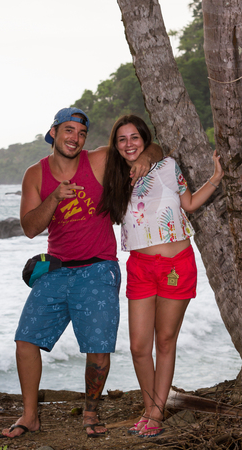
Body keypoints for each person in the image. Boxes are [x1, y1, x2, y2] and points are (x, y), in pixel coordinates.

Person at [1, 107, 163, 439]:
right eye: (69, 130)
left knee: (98, 346)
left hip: (99, 266)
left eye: (81, 133)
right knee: (25, 340)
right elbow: (30, 227)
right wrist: (55, 198)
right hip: (56, 269)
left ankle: (91, 411)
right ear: (54, 133)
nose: (75, 138)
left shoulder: (99, 160)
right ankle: (30, 416)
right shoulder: (35, 174)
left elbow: (151, 148)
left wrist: (149, 156)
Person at [99, 114, 224, 438]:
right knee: (140, 346)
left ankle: (154, 413)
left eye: (134, 138)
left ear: (145, 140)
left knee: (165, 341)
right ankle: (151, 406)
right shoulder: (114, 176)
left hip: (174, 265)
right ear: (116, 145)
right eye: (122, 139)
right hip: (139, 267)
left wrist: (215, 177)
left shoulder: (167, 166)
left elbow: (190, 203)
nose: (129, 144)